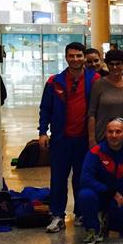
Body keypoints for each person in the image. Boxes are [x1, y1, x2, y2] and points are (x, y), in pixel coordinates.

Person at [39, 42, 101, 233]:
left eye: (79, 56)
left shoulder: (94, 79)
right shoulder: (54, 81)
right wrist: (43, 132)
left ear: (84, 57)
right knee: (58, 178)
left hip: (84, 139)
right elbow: (45, 108)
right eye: (71, 56)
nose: (75, 59)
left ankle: (81, 212)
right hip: (61, 139)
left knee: (82, 178)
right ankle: (57, 214)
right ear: (66, 57)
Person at [87, 48, 123, 147]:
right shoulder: (99, 84)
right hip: (103, 136)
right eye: (111, 64)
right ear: (107, 65)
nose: (115, 67)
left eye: (118, 64)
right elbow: (91, 114)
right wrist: (91, 139)